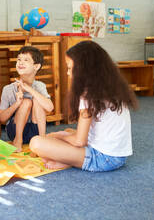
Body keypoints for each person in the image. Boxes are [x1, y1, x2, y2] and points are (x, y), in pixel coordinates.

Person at [29, 40, 138, 171]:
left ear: (82, 69)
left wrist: (56, 136)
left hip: (102, 159)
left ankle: (70, 161)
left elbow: (80, 142)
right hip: (119, 156)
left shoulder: (87, 94)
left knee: (36, 142)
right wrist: (63, 135)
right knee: (68, 132)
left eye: (69, 68)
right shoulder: (111, 87)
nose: (68, 73)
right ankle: (69, 159)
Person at [0, 46, 54, 152]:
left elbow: (49, 107)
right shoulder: (8, 89)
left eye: (26, 60)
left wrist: (29, 89)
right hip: (15, 131)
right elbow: (2, 118)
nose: (20, 62)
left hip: (35, 130)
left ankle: (43, 139)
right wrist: (17, 103)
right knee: (26, 102)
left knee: (37, 100)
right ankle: (18, 141)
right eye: (19, 59)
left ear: (36, 66)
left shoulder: (40, 86)